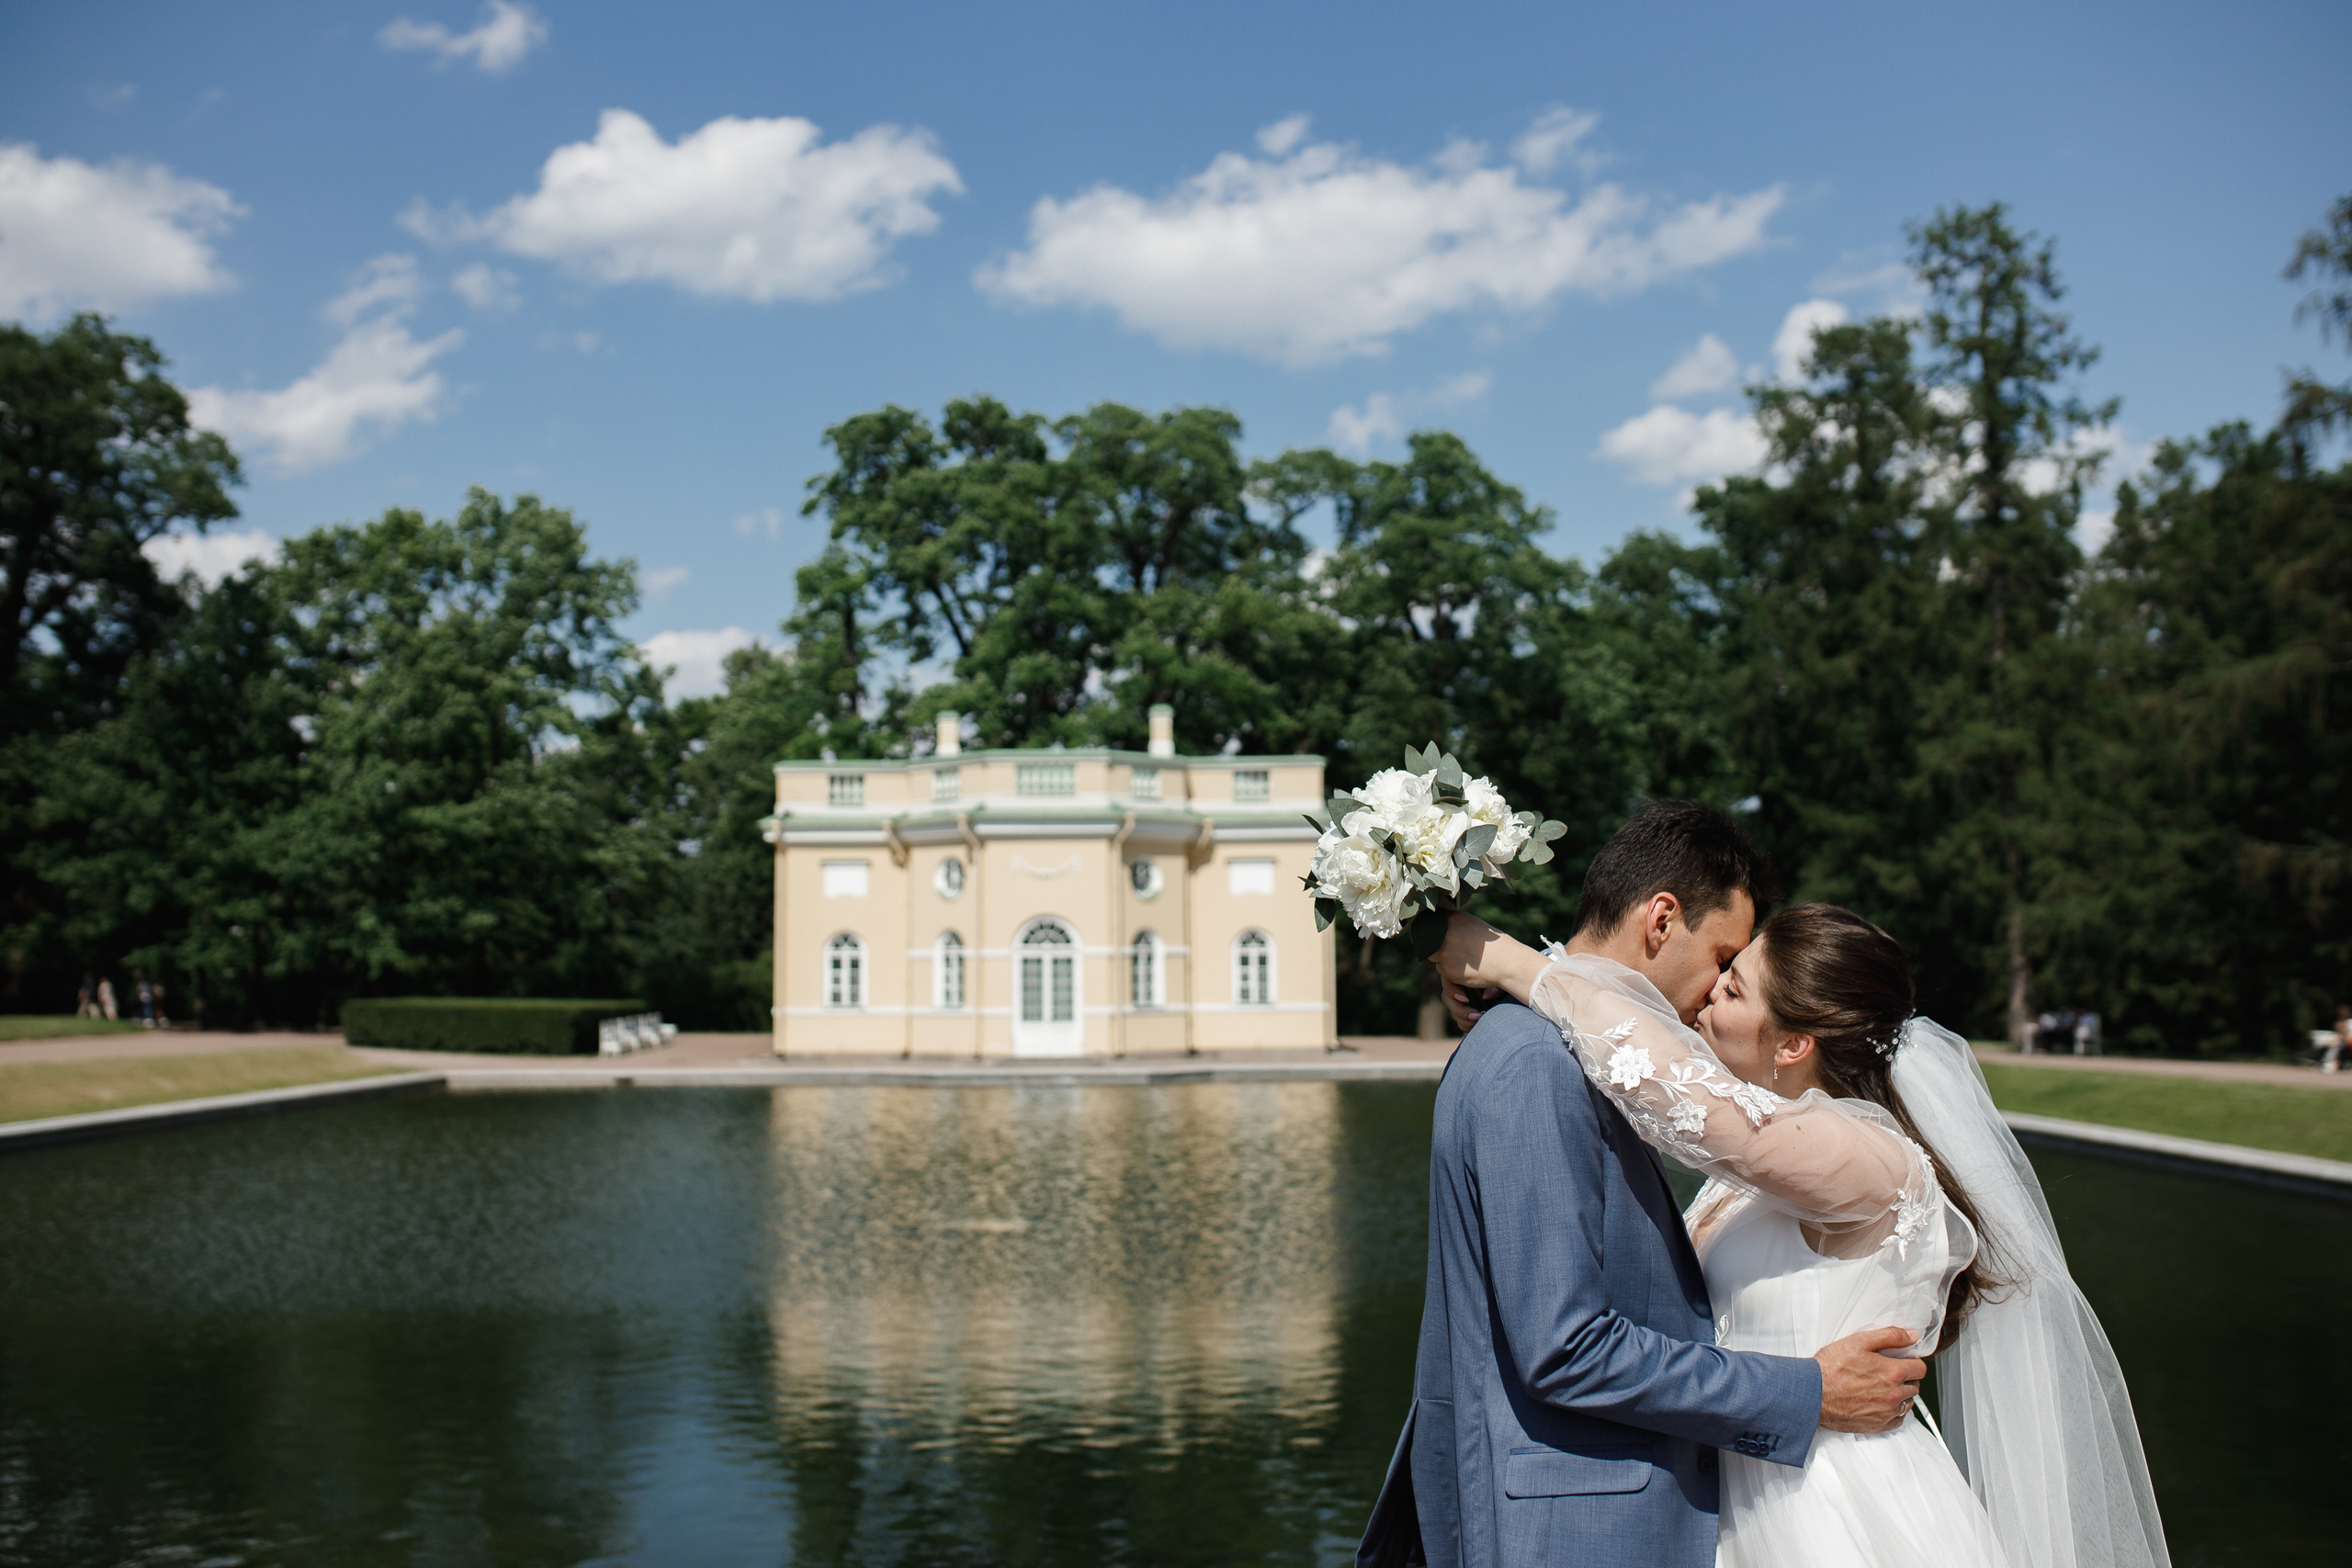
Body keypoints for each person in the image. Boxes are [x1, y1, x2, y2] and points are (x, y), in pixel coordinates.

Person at [1430, 899, 2170, 1568]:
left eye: (1735, 984)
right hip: (1740, 1494)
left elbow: (1688, 1100)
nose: (1708, 991)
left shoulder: (1872, 1158)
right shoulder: (1761, 1171)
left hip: (1831, 1509)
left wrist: (1518, 964)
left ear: (1792, 1045)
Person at [1356, 803, 1927, 1568]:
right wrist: (1806, 1392)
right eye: (1723, 956)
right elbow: (1564, 1346)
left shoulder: (1569, 1053)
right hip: (1578, 1530)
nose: (1717, 986)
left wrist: (1512, 963)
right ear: (1662, 921)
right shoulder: (1538, 1063)